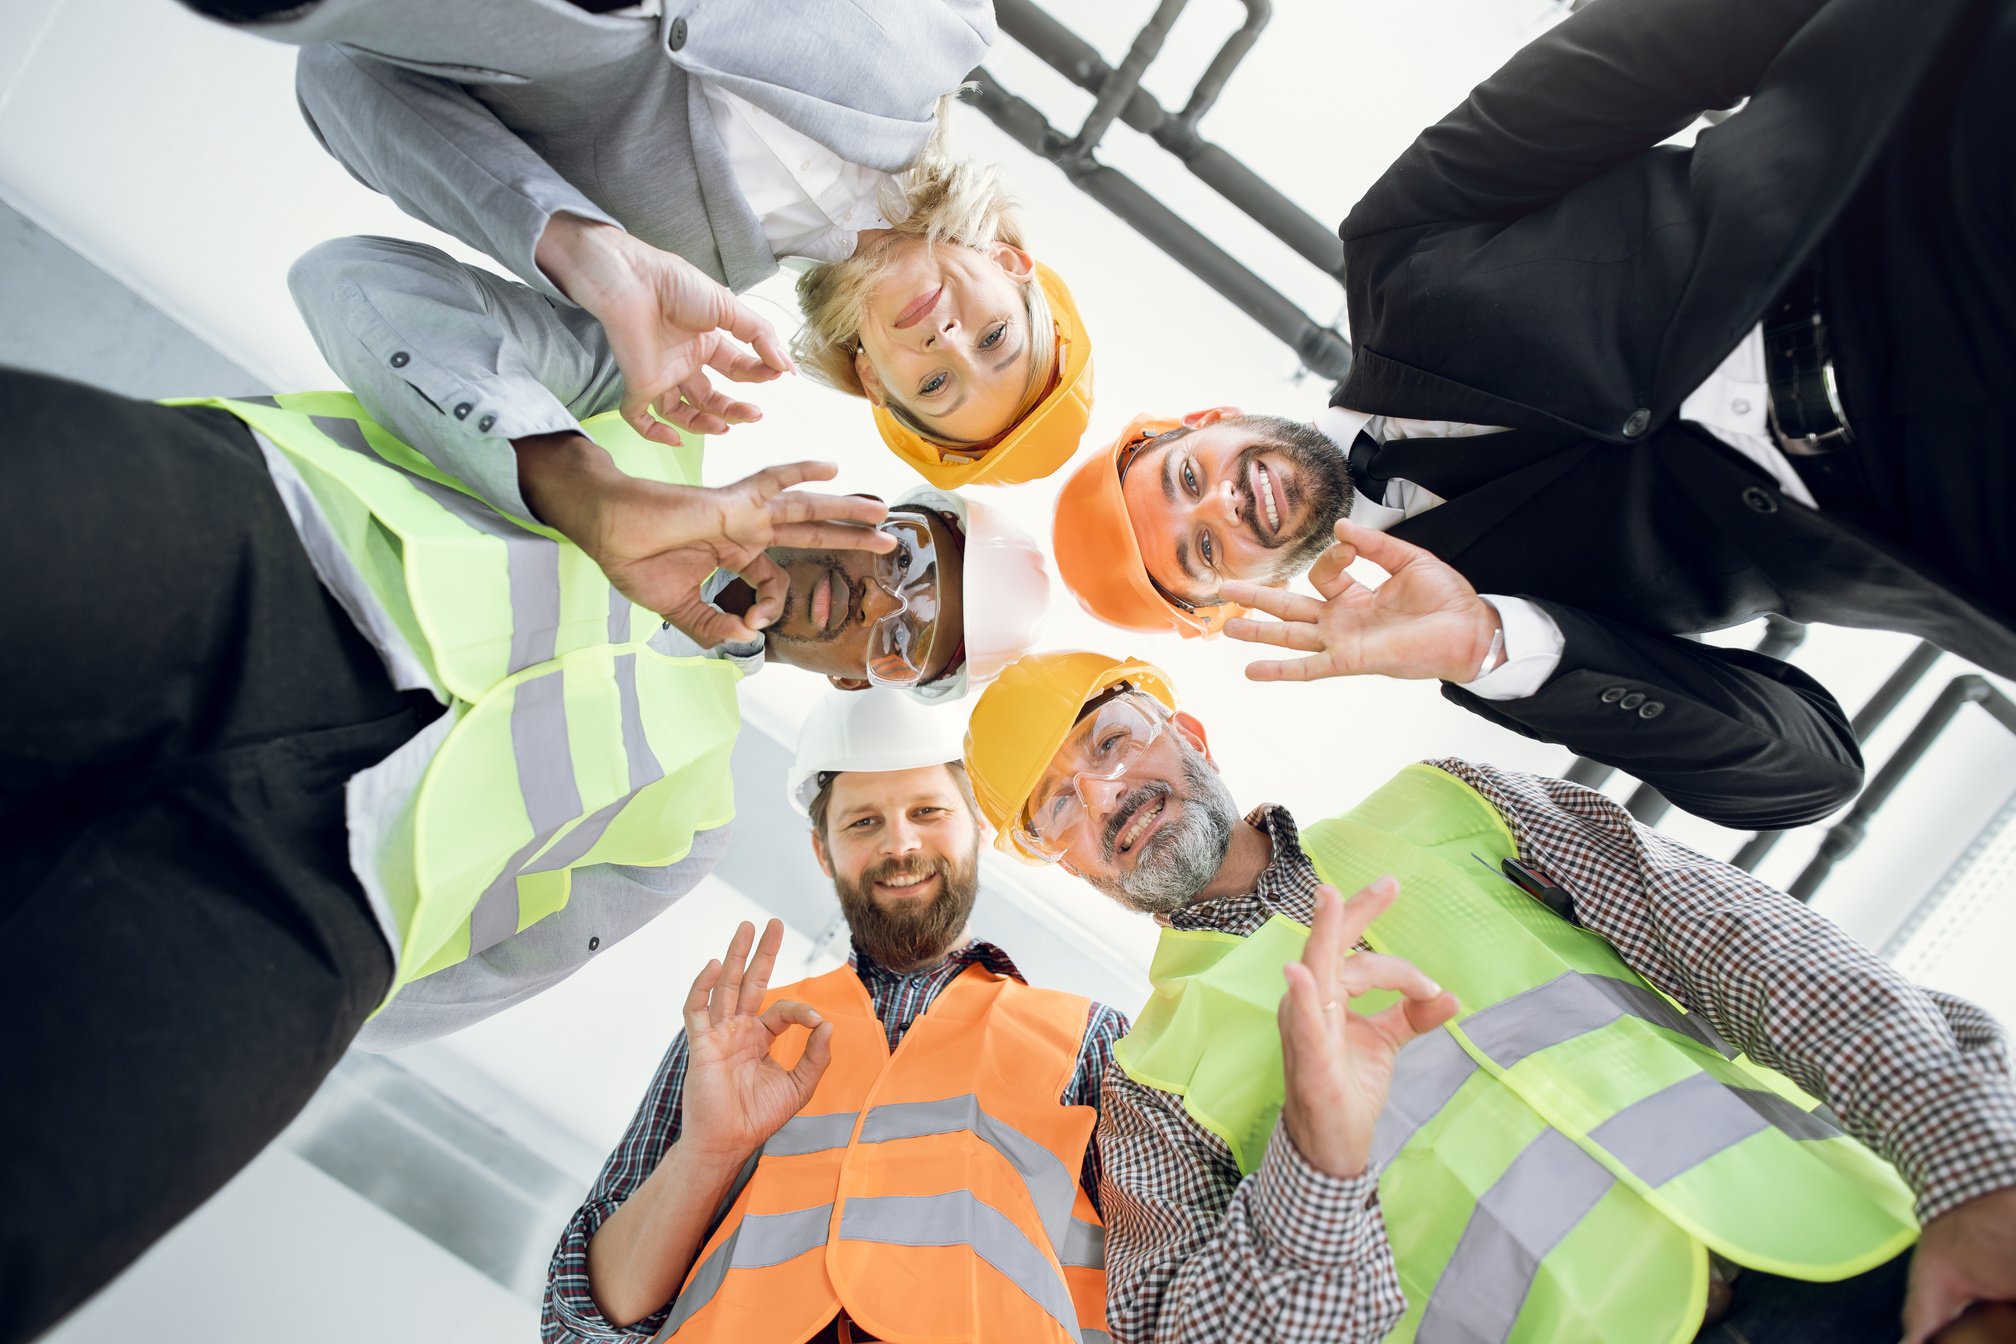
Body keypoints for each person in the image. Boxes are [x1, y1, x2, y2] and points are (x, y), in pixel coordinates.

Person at [0, 361, 1040, 1343]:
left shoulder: (691, 823)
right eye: (903, 559)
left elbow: (470, 983)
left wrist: (328, 972)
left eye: (908, 637)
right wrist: (585, 484)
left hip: (312, 907)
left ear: (867, 683)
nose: (877, 602)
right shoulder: (659, 409)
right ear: (872, 507)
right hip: (273, 556)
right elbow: (351, 283)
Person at [1052, 0, 2016, 830]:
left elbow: (1664, 44)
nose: (1226, 502)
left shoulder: (1397, 243)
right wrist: (1490, 645)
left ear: (1208, 419)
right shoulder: (1478, 641)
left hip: (1925, 190)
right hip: (1957, 510)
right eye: (1204, 552)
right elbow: (1809, 769)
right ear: (1233, 606)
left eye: (1187, 477)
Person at [959, 650, 2016, 1343]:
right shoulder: (1147, 1087)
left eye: (1112, 741)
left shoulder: (1449, 804)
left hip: (1864, 1248)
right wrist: (1315, 1163)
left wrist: (1973, 1170)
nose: (1107, 795)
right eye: (1058, 808)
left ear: (1190, 732)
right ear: (1070, 866)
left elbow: (1759, 956)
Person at [184, 0, 1096, 487]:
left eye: (935, 385)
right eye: (994, 342)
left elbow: (341, 78)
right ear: (1012, 268)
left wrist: (576, 244)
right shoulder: (948, 22)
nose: (948, 346)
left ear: (873, 380)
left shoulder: (661, 271)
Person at [542, 689, 1128, 1342]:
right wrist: (708, 1153)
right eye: (863, 823)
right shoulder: (740, 1037)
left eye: (928, 810)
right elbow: (577, 1329)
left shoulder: (1091, 1042)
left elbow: (1165, 1294)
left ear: (976, 826)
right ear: (824, 852)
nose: (900, 843)